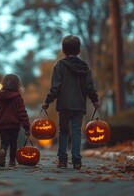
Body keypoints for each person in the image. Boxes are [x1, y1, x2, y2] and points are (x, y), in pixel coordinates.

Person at [42, 35, 100, 170]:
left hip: (64, 105)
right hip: (79, 105)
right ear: (79, 51)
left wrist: (47, 101)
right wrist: (95, 100)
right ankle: (77, 161)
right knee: (76, 132)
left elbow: (55, 87)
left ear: (63, 50)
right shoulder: (85, 67)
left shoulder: (59, 66)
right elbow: (89, 86)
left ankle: (62, 160)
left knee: (63, 131)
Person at [0, 74, 31, 167]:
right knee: (13, 142)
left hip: (2, 124)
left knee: (4, 141)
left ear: (4, 84)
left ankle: (3, 150)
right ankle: (12, 161)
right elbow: (22, 113)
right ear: (17, 85)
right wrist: (27, 127)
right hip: (14, 125)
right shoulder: (18, 98)